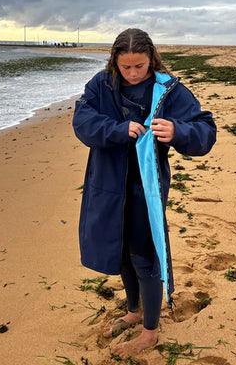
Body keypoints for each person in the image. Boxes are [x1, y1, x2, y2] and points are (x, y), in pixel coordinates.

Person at [72, 28, 216, 358]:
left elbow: (206, 130)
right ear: (114, 63)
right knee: (120, 248)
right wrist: (117, 130)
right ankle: (134, 311)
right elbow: (82, 120)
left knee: (145, 256)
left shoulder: (168, 90)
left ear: (152, 59)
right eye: (127, 68)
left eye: (141, 66)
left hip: (145, 190)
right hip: (107, 184)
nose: (135, 74)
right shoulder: (101, 84)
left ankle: (149, 332)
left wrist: (178, 131)